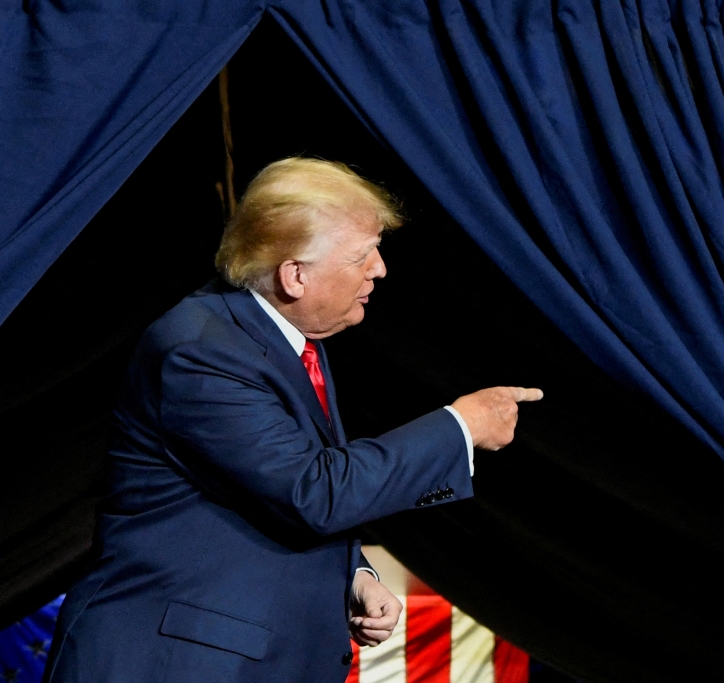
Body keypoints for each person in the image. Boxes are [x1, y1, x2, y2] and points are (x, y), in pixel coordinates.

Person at [43, 157, 542, 683]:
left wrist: (352, 574)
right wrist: (460, 426)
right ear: (296, 275)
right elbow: (313, 492)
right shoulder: (202, 351)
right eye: (362, 255)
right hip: (175, 664)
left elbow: (267, 490)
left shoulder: (289, 338)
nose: (380, 268)